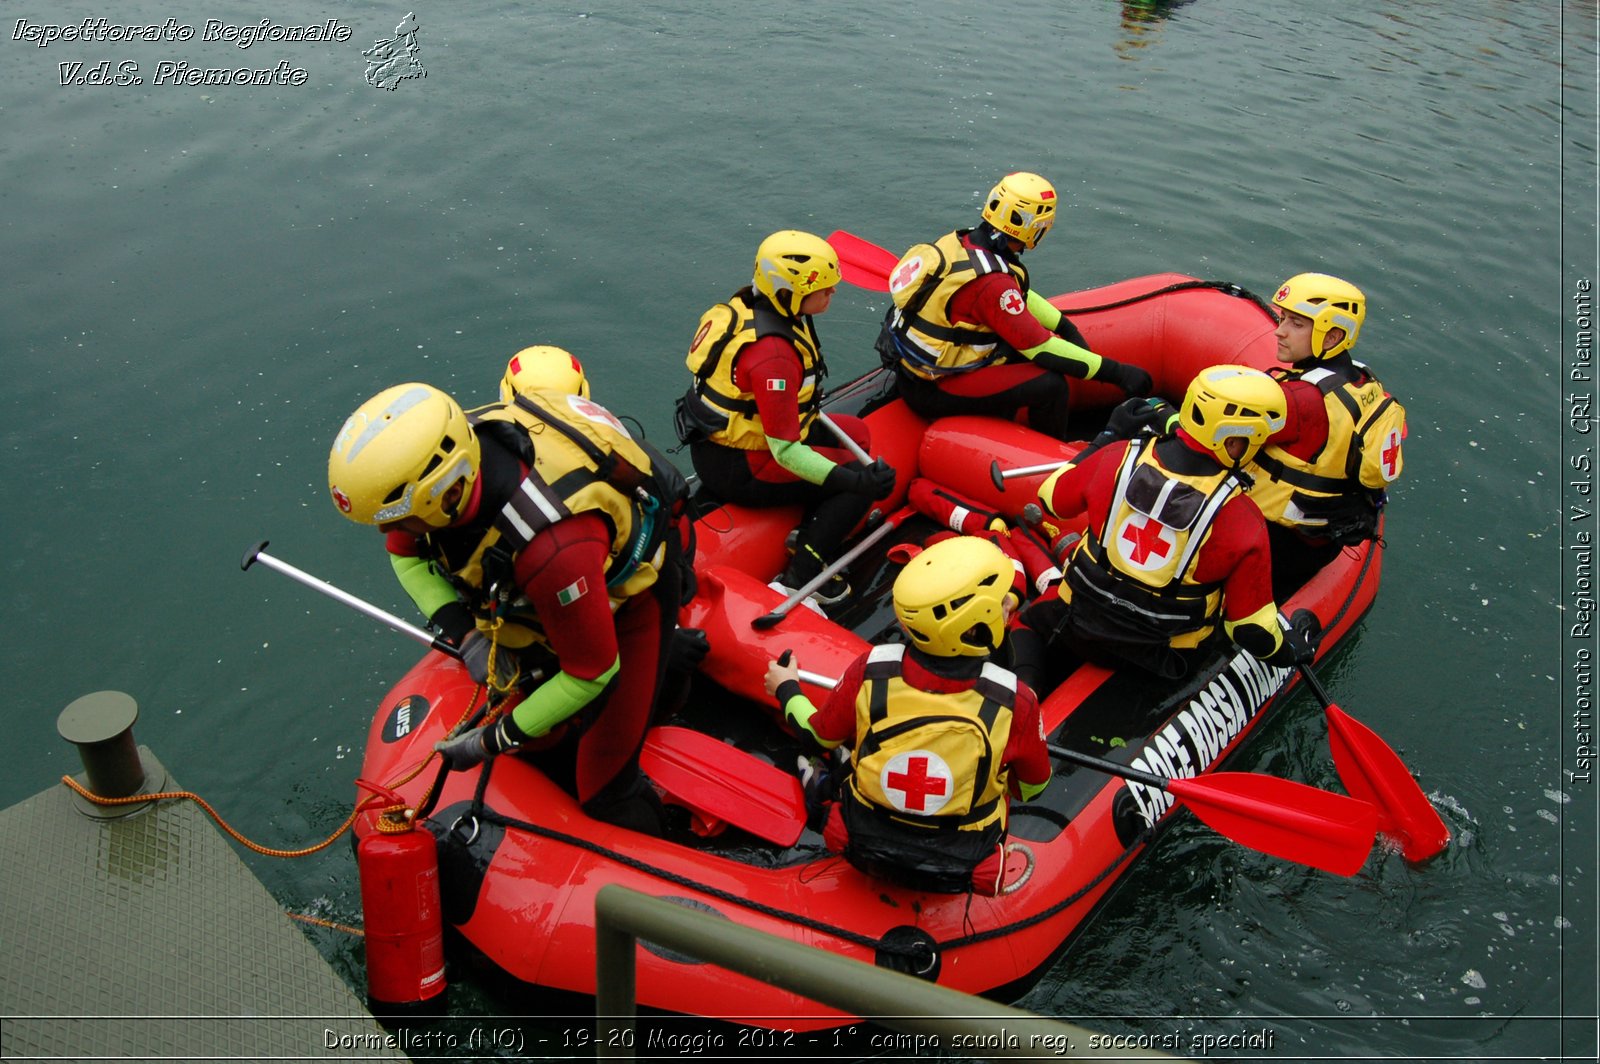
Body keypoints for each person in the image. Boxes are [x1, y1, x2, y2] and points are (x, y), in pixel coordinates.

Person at [327, 380, 687, 834]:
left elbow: (592, 670)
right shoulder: (453, 466)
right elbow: (404, 554)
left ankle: (668, 675)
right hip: (543, 603)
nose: (389, 531)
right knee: (540, 740)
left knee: (606, 792)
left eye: (397, 518)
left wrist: (490, 741)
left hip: (630, 606)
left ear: (446, 490)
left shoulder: (553, 546)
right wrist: (468, 636)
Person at [763, 536, 1052, 895]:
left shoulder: (871, 669)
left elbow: (818, 735)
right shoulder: (1016, 701)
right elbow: (1032, 787)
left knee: (845, 748)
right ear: (978, 621)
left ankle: (821, 783)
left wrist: (786, 688)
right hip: (959, 861)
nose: (1008, 606)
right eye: (1001, 602)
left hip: (862, 842)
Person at [1010, 365, 1320, 692]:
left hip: (1078, 625)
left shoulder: (1116, 458)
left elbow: (1052, 498)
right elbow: (1249, 629)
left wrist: (1108, 436)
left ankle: (1023, 695)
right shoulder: (1242, 518)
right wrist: (1291, 650)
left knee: (1026, 623)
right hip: (1163, 658)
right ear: (1234, 443)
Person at [677, 230, 896, 605]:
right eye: (825, 289)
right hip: (743, 467)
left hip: (715, 445)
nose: (833, 294)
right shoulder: (773, 356)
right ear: (791, 294)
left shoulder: (749, 306)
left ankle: (807, 523)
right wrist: (856, 483)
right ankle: (803, 573)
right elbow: (786, 452)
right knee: (857, 483)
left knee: (857, 434)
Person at [877, 171, 1153, 440]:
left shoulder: (965, 242)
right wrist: (1121, 374)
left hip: (915, 370)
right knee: (1051, 385)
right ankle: (1055, 455)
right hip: (933, 389)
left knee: (1016, 353)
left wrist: (1064, 326)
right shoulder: (991, 282)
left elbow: (1015, 295)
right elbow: (1039, 347)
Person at [1249, 273, 1406, 596]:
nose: (1280, 331)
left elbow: (1210, 436)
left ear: (1332, 336)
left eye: (1296, 324)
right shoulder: (1364, 383)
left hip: (1274, 543)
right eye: (1282, 319)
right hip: (1321, 537)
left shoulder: (1301, 401)